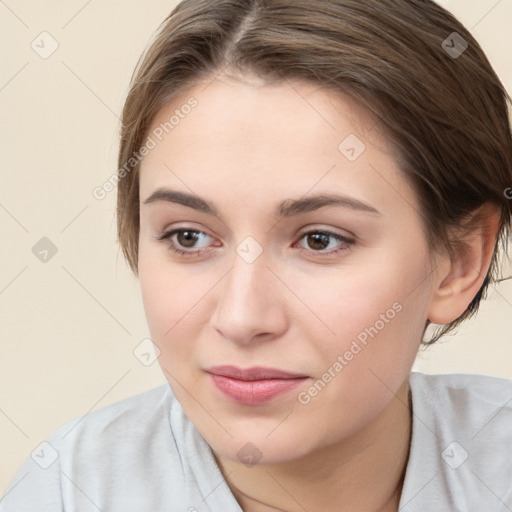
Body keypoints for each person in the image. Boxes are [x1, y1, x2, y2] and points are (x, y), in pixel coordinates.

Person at [2, 0, 512, 510]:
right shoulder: (69, 492)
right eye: (188, 237)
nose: (241, 319)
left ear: (459, 262)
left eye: (320, 239)